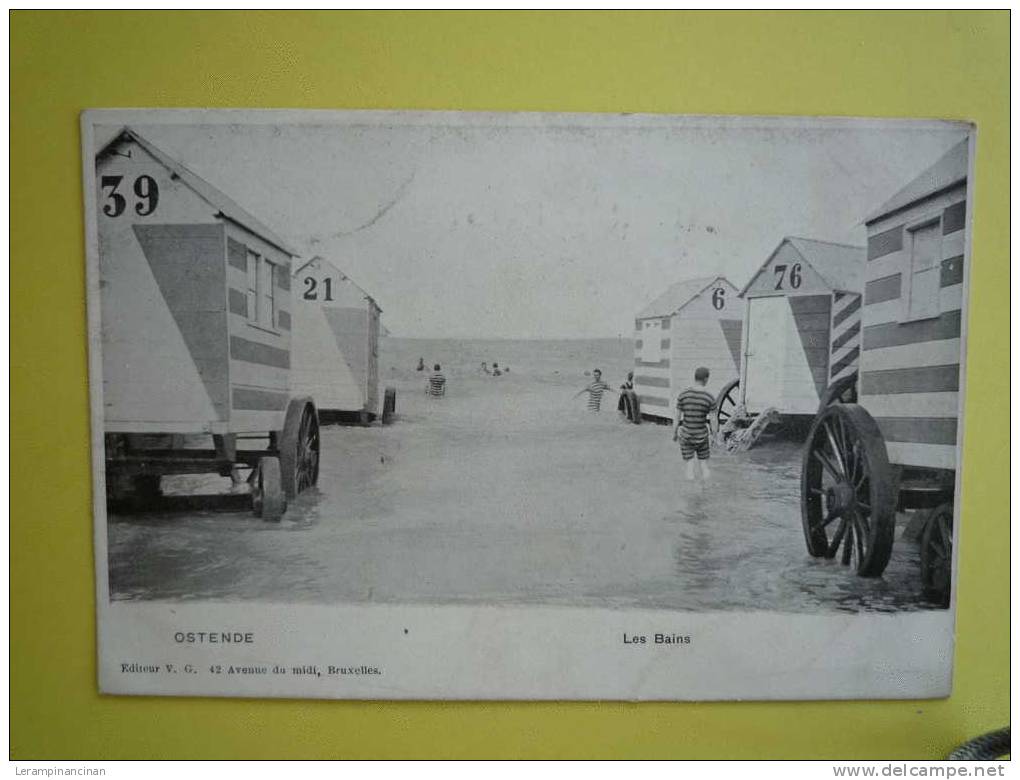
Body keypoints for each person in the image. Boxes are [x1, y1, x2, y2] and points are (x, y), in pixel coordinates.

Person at [673, 367, 717, 482]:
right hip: (702, 436)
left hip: (686, 435)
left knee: (689, 466)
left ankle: (691, 493)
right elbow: (713, 420)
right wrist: (714, 436)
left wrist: (674, 433)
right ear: (706, 379)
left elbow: (677, 417)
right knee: (704, 466)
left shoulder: (683, 395)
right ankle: (706, 490)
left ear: (695, 377)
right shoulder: (709, 397)